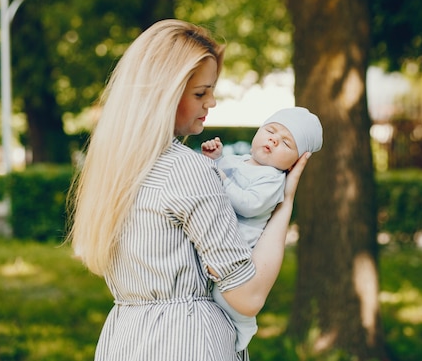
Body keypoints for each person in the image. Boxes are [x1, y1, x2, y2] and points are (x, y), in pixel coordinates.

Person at [66, 19, 310, 361]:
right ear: (164, 93)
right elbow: (248, 296)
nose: (211, 102)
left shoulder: (114, 167)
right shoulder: (188, 169)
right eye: (200, 92)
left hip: (123, 340)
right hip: (188, 341)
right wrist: (284, 201)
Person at [201, 107, 323, 351]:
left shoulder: (272, 179)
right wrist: (215, 159)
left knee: (224, 309)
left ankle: (240, 329)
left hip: (238, 254)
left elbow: (248, 205)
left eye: (286, 143)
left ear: (294, 163)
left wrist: (221, 179)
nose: (274, 139)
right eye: (271, 130)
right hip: (216, 246)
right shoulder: (235, 160)